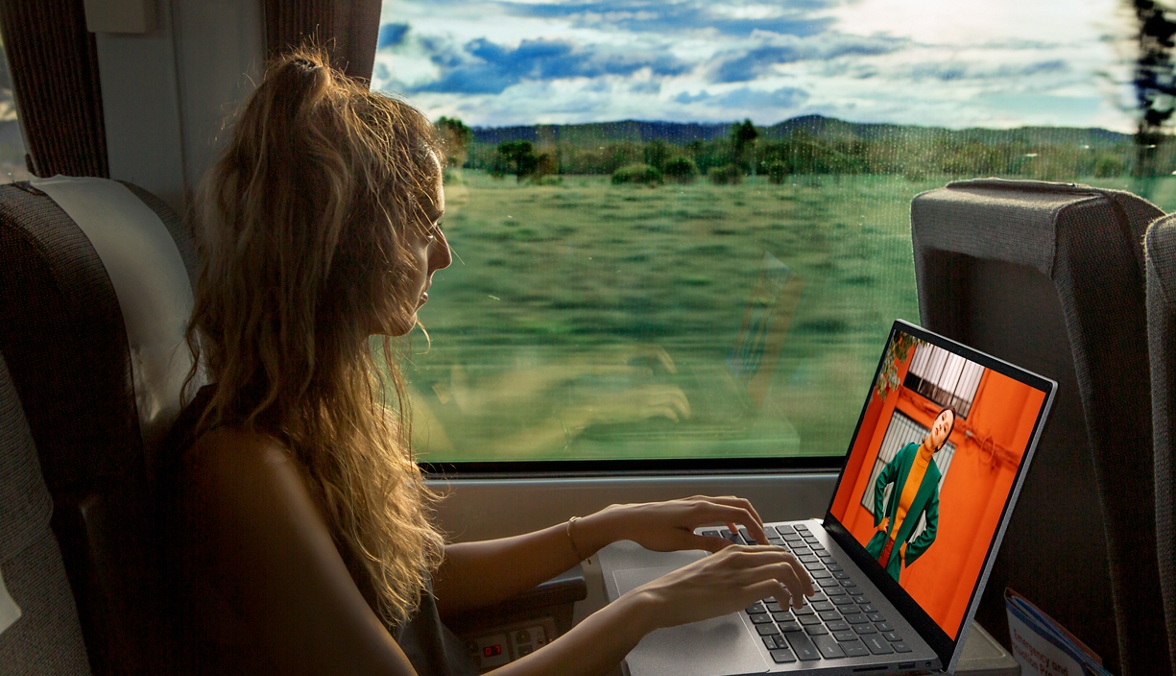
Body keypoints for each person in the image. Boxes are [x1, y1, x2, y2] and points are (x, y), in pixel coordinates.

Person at [158, 48, 813, 676]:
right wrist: (649, 606)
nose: (441, 256)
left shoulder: (319, 411)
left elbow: (421, 581)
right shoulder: (243, 467)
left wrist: (607, 526)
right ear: (344, 243)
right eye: (421, 226)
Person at [864, 407, 954, 582]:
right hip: (880, 540)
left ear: (941, 444)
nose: (941, 425)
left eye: (945, 428)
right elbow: (881, 480)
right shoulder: (908, 452)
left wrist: (908, 550)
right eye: (942, 419)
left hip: (895, 556)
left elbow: (932, 530)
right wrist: (879, 519)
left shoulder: (933, 477)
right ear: (934, 420)